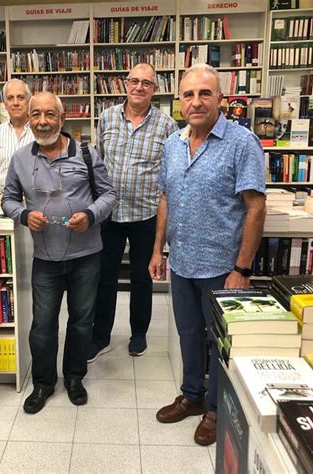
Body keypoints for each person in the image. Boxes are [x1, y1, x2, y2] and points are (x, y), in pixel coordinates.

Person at [149, 64, 266, 446]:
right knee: (187, 334)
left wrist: (242, 268)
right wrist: (158, 249)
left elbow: (255, 207)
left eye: (204, 94)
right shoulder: (172, 144)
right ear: (179, 100)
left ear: (220, 98)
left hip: (222, 267)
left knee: (219, 342)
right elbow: (166, 197)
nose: (196, 101)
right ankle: (192, 396)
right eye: (188, 94)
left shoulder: (242, 142)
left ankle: (215, 408)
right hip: (181, 262)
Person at [3, 92, 117, 414]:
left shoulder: (85, 152)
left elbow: (109, 195)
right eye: (35, 114)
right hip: (46, 259)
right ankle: (42, 383)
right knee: (42, 324)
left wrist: (91, 215)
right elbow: (8, 199)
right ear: (28, 119)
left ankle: (74, 377)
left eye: (49, 115)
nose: (42, 121)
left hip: (86, 256)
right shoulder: (21, 159)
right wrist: (24, 215)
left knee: (82, 321)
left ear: (62, 118)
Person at [88, 63, 178, 361]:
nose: (139, 87)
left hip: (146, 215)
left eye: (146, 83)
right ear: (125, 84)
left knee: (143, 278)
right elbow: (97, 163)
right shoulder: (107, 117)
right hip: (109, 215)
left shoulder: (167, 126)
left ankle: (138, 334)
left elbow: (169, 174)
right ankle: (100, 336)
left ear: (155, 88)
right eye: (134, 81)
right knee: (105, 277)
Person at [0, 79, 34, 191]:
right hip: (2, 197)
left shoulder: (39, 132)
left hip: (34, 199)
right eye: (10, 98)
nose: (15, 103)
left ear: (29, 101)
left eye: (20, 97)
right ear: (5, 103)